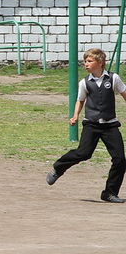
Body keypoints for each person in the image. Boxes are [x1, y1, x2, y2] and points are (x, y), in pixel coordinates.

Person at [47, 48, 126, 203]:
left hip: (110, 125)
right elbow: (80, 100)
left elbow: (124, 93)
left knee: (120, 159)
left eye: (90, 61)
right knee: (84, 153)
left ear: (100, 62)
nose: (86, 64)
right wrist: (75, 115)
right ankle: (58, 167)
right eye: (85, 61)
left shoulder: (113, 78)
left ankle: (109, 193)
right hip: (91, 124)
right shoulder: (84, 82)